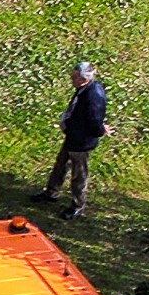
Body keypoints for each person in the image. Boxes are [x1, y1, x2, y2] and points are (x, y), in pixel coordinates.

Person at [42, 60, 107, 212]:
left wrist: (100, 131)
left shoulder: (94, 96)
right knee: (60, 165)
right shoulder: (84, 89)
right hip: (72, 136)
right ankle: (51, 192)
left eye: (74, 77)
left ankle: (78, 204)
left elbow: (95, 120)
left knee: (79, 174)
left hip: (81, 142)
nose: (71, 79)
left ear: (83, 80)